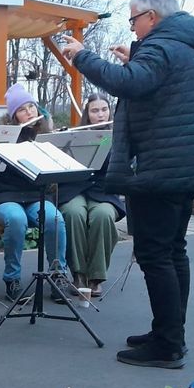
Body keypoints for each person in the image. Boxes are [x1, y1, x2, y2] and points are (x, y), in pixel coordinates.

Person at [61, 0, 194, 369]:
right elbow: (152, 83)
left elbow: (128, 83)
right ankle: (170, 331)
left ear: (152, 17)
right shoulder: (190, 48)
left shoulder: (161, 48)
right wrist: (136, 59)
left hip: (160, 171)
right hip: (188, 167)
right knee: (174, 251)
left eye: (133, 20)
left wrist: (83, 56)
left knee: (155, 255)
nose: (132, 27)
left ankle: (167, 345)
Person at [0, 84, 71, 303]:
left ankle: (57, 275)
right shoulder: (3, 137)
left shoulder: (44, 136)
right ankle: (12, 279)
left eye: (32, 106)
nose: (29, 112)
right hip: (4, 197)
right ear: (13, 116)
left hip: (35, 196)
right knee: (16, 219)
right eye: (23, 109)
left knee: (55, 219)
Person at [57, 93, 125, 298]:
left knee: (103, 216)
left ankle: (96, 276)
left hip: (103, 191)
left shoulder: (119, 135)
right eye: (95, 111)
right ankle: (78, 273)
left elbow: (122, 167)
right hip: (75, 188)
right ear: (87, 114)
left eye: (104, 110)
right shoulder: (75, 135)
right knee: (72, 213)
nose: (101, 115)